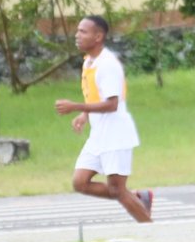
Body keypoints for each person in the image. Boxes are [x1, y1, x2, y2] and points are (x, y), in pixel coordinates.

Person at [55, 15, 151, 224]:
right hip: (99, 135)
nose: (77, 35)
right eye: (78, 31)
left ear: (98, 37)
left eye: (83, 32)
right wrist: (85, 114)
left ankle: (151, 228)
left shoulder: (107, 65)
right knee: (80, 182)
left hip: (115, 134)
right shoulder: (89, 62)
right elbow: (95, 95)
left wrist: (75, 106)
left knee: (117, 190)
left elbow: (112, 104)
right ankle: (137, 198)